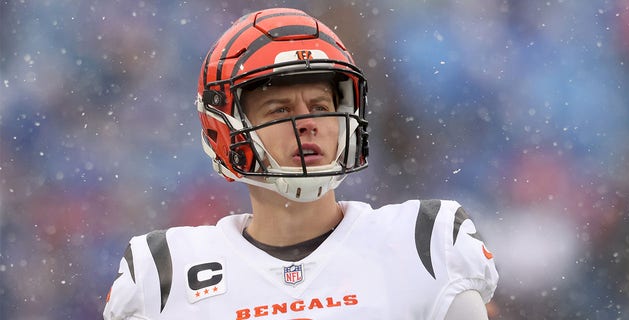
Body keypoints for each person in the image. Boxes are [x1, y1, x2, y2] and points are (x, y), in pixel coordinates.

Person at [103, 7, 498, 320]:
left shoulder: (425, 243)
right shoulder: (164, 275)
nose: (308, 122)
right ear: (225, 129)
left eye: (321, 106)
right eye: (280, 109)